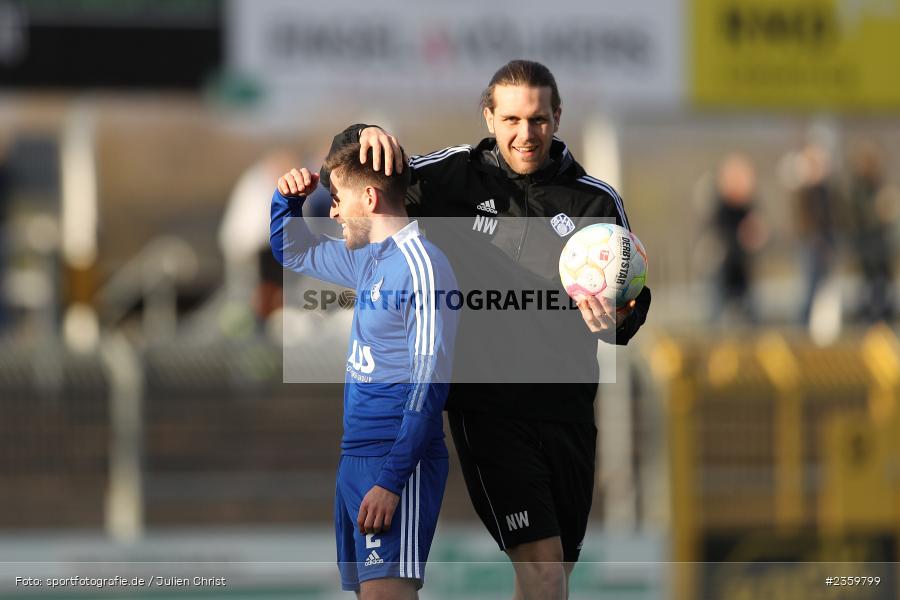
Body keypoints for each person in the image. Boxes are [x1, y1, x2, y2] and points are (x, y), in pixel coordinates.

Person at [327, 60, 651, 599]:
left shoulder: (596, 201)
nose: (527, 133)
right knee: (543, 569)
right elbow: (366, 182)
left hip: (568, 411)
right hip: (490, 411)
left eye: (540, 119)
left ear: (557, 116)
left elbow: (632, 300)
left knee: (553, 580)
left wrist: (620, 317)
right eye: (512, 119)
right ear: (489, 116)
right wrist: (363, 135)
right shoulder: (448, 178)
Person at [269, 142, 459, 598]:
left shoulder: (423, 266)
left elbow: (428, 381)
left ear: (369, 199)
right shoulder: (370, 258)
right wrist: (286, 201)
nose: (332, 212)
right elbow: (290, 251)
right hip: (354, 460)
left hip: (395, 464)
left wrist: (391, 479)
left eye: (336, 198)